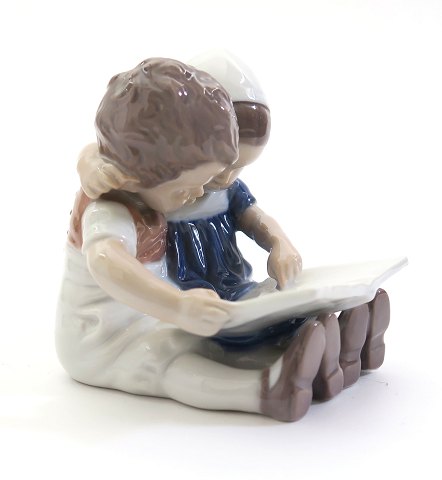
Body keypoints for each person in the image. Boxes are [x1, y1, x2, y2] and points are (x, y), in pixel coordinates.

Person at [57, 57, 331, 423]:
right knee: (168, 361)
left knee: (213, 337)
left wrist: (179, 309)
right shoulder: (111, 210)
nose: (200, 193)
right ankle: (264, 390)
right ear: (138, 176)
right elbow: (107, 263)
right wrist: (178, 306)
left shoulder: (153, 197)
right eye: (187, 188)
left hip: (155, 316)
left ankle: (296, 357)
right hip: (105, 340)